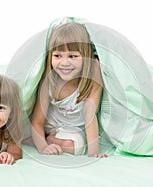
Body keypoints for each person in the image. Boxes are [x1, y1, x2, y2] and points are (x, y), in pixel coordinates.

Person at [31, 22, 107, 158]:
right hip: (49, 125)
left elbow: (89, 113)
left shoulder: (93, 73)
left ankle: (50, 139)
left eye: (72, 56)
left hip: (72, 131)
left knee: (76, 147)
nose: (64, 62)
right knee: (33, 132)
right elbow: (37, 121)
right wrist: (43, 148)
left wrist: (94, 153)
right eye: (58, 56)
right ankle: (44, 139)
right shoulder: (49, 81)